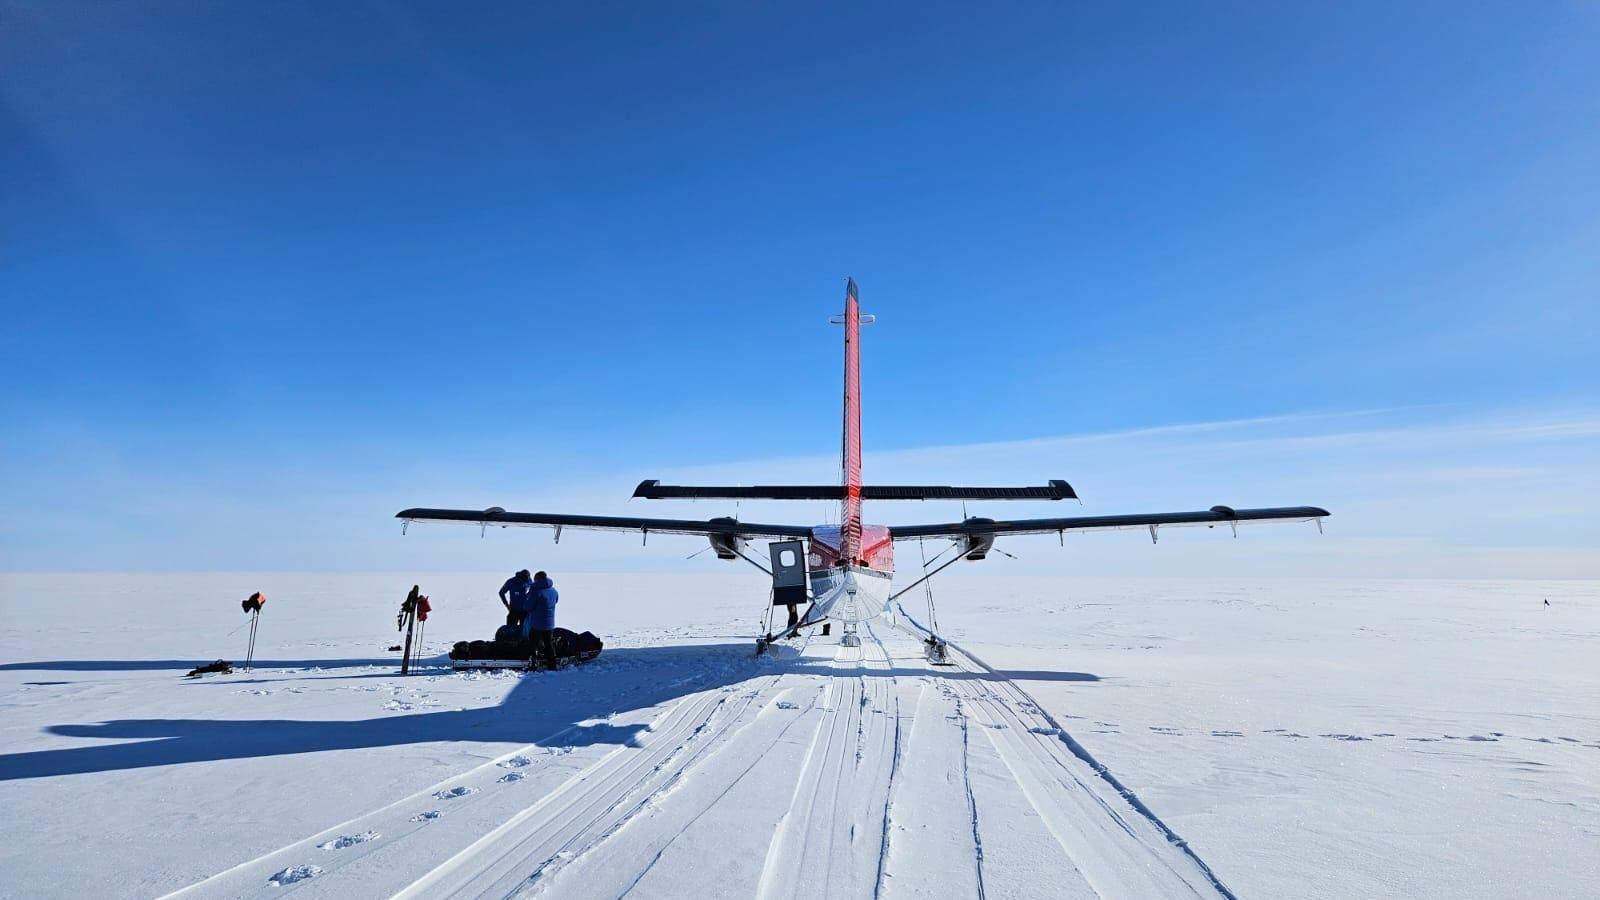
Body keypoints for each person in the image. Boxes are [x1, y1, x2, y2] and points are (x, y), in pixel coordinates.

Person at [523, 571, 560, 670]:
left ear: (537, 580)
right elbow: (556, 600)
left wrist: (528, 595)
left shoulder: (536, 592)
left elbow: (527, 607)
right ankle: (552, 665)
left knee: (533, 645)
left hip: (536, 624)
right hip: (550, 624)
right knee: (549, 644)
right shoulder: (554, 590)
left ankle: (533, 665)